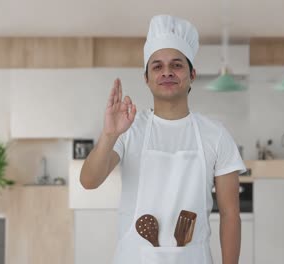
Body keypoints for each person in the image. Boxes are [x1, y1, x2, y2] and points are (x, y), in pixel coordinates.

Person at [80, 14, 246, 264]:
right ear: (146, 78)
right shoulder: (129, 129)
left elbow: (230, 213)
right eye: (157, 66)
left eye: (177, 65)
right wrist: (109, 135)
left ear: (192, 74)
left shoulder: (216, 135)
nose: (167, 72)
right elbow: (89, 181)